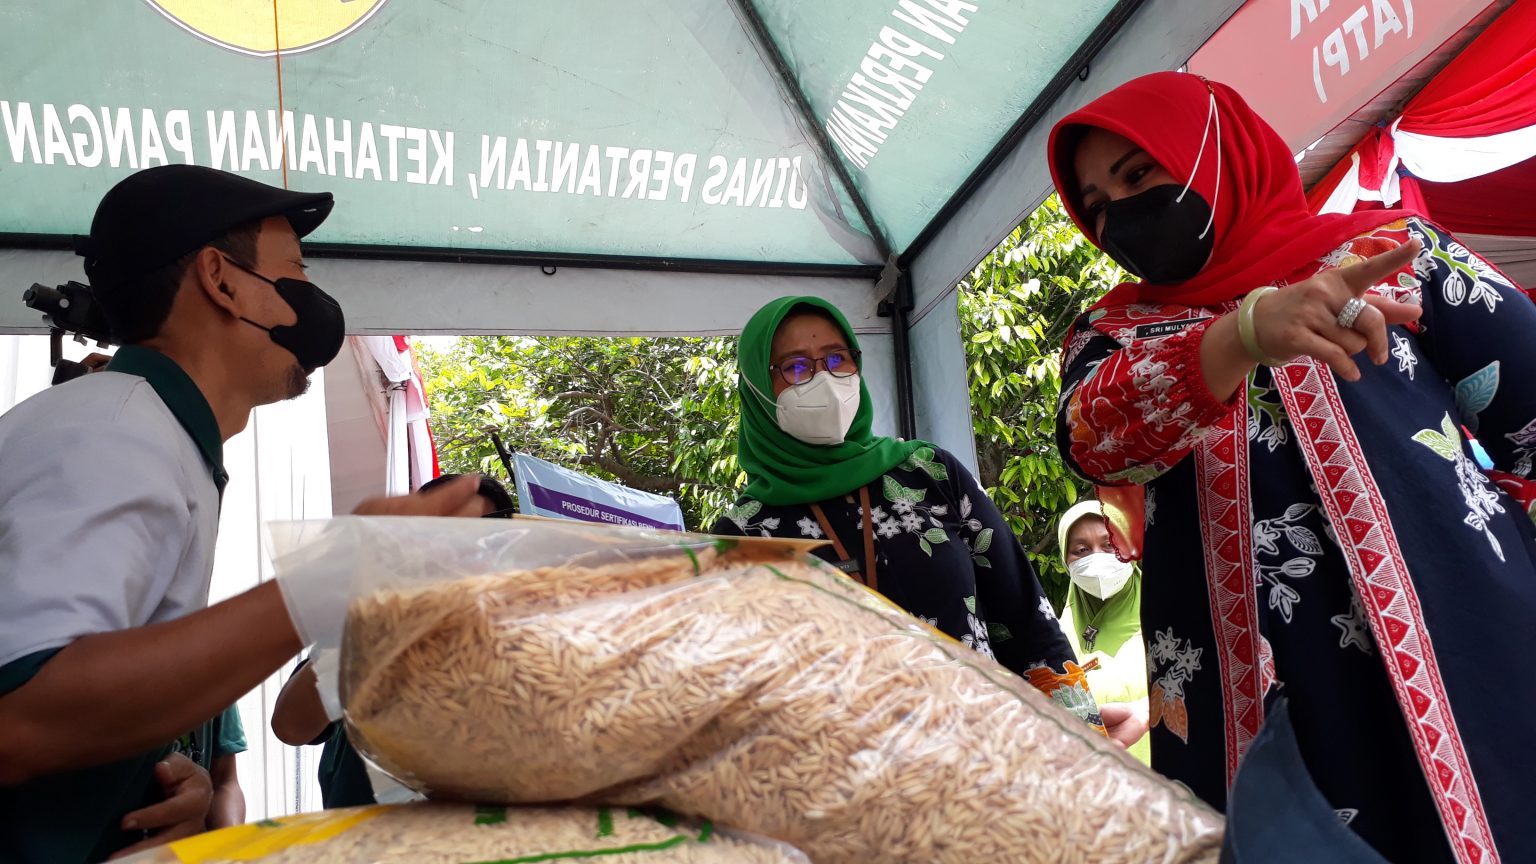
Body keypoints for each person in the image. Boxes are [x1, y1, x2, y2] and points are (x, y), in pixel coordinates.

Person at [1049, 71, 1536, 862]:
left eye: (1140, 177)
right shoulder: (1114, 334)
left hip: (1461, 650)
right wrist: (1241, 335)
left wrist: (1475, 536)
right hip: (1240, 705)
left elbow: (1530, 410)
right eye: (1098, 205)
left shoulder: (1389, 255)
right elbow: (1096, 440)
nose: (1121, 216)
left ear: (1217, 151)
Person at [0, 165, 487, 862]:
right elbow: (20, 718)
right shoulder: (114, 433)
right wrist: (336, 577)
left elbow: (89, 701)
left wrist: (167, 776)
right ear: (222, 281)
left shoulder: (157, 434)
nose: (310, 299)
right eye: (293, 272)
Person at [709, 296, 1099, 725]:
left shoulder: (929, 472)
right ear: (758, 390)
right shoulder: (742, 535)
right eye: (797, 367)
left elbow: (1026, 617)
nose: (824, 379)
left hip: (987, 755)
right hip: (849, 777)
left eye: (837, 359)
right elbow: (744, 693)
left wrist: (1084, 735)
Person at [271, 473, 517, 809]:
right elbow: (291, 726)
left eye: (479, 540)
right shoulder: (370, 621)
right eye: (443, 533)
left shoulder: (516, 643)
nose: (456, 553)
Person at [1056, 500, 1149, 764]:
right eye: (1081, 549)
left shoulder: (1167, 620)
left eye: (1110, 545)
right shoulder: (1055, 638)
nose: (1097, 557)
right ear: (1066, 561)